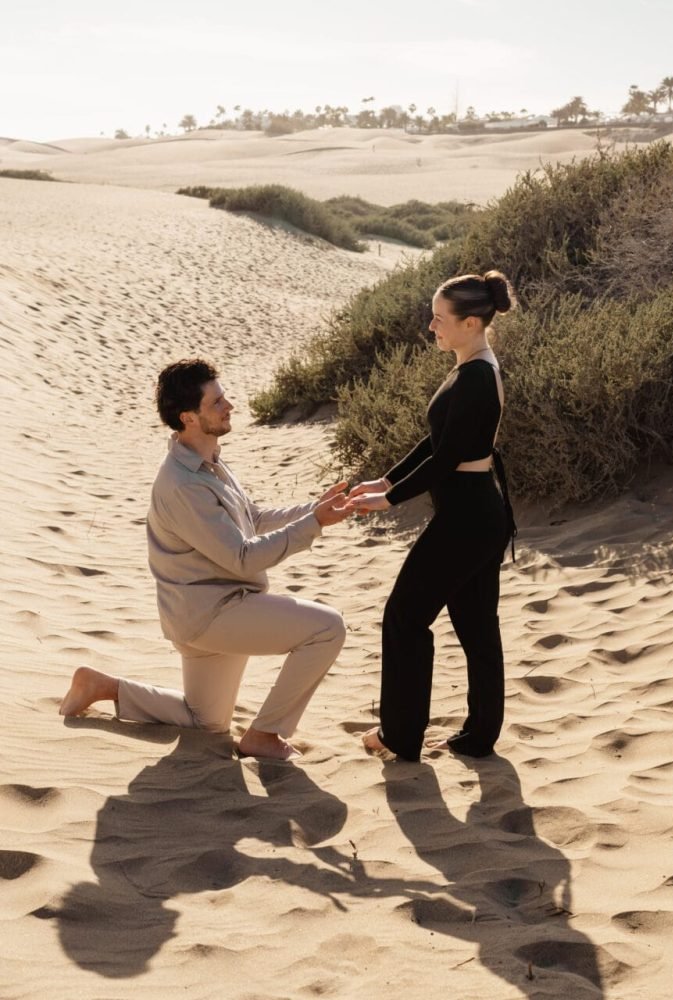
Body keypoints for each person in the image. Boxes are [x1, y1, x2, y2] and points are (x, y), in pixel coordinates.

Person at [60, 359, 351, 760]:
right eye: (216, 402)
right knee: (327, 628)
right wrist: (314, 523)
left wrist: (317, 509)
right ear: (188, 417)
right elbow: (243, 557)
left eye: (223, 396)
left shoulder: (209, 461)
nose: (229, 405)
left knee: (206, 722)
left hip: (211, 610)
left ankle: (104, 687)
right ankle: (264, 735)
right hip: (213, 614)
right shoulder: (182, 484)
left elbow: (254, 517)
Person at [347, 271, 517, 761]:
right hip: (477, 513)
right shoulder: (469, 367)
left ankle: (399, 736)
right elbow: (437, 442)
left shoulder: (479, 376)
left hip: (468, 517)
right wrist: (386, 479)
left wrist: (390, 499)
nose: (431, 327)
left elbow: (446, 460)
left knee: (404, 617)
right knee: (476, 626)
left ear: (469, 322)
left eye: (440, 319)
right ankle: (480, 735)